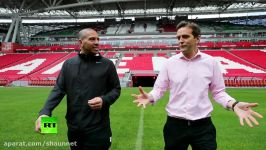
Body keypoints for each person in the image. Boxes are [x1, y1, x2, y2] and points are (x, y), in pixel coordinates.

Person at [132, 21, 263, 150]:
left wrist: (234, 104)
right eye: (178, 37)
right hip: (175, 126)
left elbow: (218, 92)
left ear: (197, 38)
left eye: (185, 36)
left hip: (203, 126)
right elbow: (159, 89)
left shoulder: (211, 63)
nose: (180, 40)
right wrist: (150, 96)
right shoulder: (169, 63)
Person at [35, 28, 121, 150]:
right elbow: (58, 90)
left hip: (98, 130)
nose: (97, 42)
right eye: (92, 39)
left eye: (98, 39)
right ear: (80, 43)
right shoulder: (69, 64)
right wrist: (44, 113)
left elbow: (116, 89)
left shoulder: (107, 64)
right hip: (73, 129)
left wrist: (104, 100)